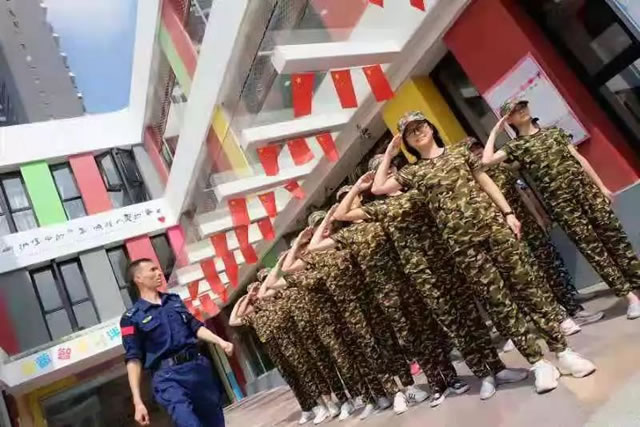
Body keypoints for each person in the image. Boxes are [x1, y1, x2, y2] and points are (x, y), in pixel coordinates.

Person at [372, 111, 596, 394]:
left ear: (431, 126)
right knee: (499, 302)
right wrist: (390, 152)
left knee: (527, 288)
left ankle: (562, 351)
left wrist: (508, 213)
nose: (418, 133)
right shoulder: (413, 172)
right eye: (410, 133)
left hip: (494, 229)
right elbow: (379, 187)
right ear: (407, 142)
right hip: (464, 246)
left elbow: (484, 181)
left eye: (421, 126)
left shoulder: (459, 153)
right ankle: (538, 362)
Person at [336, 164, 526, 402]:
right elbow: (341, 215)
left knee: (472, 318)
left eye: (392, 169)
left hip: (446, 262)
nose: (390, 175)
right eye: (383, 173)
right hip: (421, 274)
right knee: (454, 326)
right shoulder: (380, 209)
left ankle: (497, 368)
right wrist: (357, 187)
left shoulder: (419, 192)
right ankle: (483, 374)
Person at [482, 99, 640, 319]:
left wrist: (601, 186)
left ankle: (637, 282)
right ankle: (629, 297)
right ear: (509, 120)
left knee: (616, 239)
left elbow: (579, 159)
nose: (522, 110)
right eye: (515, 111)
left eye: (523, 106)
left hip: (588, 194)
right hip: (563, 206)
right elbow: (486, 161)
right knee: (594, 250)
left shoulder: (554, 132)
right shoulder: (515, 147)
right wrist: (495, 131)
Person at [466, 137, 604, 329]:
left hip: (528, 225)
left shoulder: (501, 168)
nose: (477, 152)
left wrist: (538, 217)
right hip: (508, 233)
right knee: (533, 274)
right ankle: (558, 316)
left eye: (478, 147)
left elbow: (523, 193)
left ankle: (572, 307)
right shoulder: (474, 183)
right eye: (472, 151)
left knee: (550, 265)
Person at [120, 259, 233, 427]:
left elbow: (195, 327)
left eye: (158, 269)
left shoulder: (174, 301)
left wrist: (220, 341)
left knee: (214, 422)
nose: (159, 273)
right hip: (168, 377)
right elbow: (133, 359)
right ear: (138, 278)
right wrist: (138, 401)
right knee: (188, 423)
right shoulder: (131, 318)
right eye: (152, 270)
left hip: (197, 369)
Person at [229, 282, 332, 425]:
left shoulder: (275, 302)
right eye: (253, 292)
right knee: (292, 379)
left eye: (257, 289)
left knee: (306, 374)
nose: (255, 294)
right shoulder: (254, 315)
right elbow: (233, 320)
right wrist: (244, 299)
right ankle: (308, 408)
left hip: (291, 343)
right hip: (274, 349)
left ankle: (323, 405)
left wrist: (261, 291)